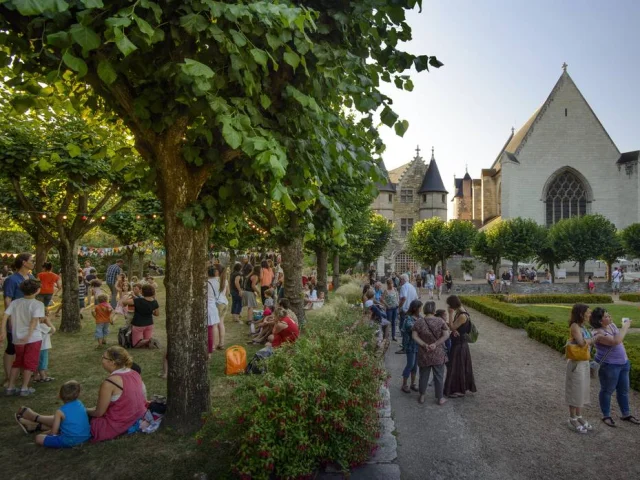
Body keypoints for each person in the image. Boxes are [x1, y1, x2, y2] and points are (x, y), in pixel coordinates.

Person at [590, 307, 639, 427]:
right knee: (607, 390)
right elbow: (616, 341)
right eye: (606, 316)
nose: (610, 317)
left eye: (608, 315)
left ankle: (626, 414)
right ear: (600, 321)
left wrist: (621, 329)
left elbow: (619, 338)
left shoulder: (611, 326)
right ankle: (606, 415)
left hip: (623, 363)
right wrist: (625, 326)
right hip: (609, 365)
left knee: (623, 390)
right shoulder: (597, 333)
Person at [87, 346, 147, 442]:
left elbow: (99, 413)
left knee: (74, 418)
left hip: (119, 424)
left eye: (103, 357)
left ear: (112, 362)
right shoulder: (134, 373)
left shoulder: (110, 383)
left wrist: (85, 411)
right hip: (138, 416)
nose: (102, 359)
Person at [1, 278, 44, 396]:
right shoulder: (38, 304)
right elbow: (34, 321)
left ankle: (10, 387)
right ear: (37, 290)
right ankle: (24, 388)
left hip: (17, 338)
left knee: (17, 362)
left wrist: (3, 331)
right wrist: (28, 335)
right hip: (33, 338)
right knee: (29, 364)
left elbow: (5, 316)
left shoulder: (15, 302)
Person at [16, 380, 91, 448]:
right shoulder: (80, 403)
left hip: (70, 441)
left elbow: (53, 433)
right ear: (78, 394)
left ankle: (34, 424)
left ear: (60, 395)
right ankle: (33, 425)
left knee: (38, 438)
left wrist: (43, 434)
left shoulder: (60, 411)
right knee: (64, 425)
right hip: (86, 436)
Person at [2, 253, 36, 387]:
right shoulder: (12, 279)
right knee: (12, 347)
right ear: (23, 262)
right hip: (16, 318)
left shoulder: (31, 277)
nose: (33, 262)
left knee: (27, 345)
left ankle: (23, 373)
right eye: (31, 261)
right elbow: (7, 299)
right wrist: (10, 318)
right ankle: (9, 377)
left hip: (29, 318)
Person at [565, 304, 598, 433]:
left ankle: (579, 416)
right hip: (576, 363)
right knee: (575, 391)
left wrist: (591, 339)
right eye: (588, 312)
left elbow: (586, 341)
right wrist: (595, 338)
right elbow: (581, 342)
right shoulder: (575, 326)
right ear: (581, 314)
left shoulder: (583, 326)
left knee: (582, 391)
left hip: (584, 361)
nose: (590, 314)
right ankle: (572, 418)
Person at [413, 301, 450, 405]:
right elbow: (446, 335)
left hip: (424, 352)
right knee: (439, 376)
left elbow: (414, 336)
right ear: (434, 310)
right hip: (437, 352)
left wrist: (424, 344)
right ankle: (440, 398)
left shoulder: (419, 322)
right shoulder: (440, 321)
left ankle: (422, 396)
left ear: (424, 309)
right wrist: (436, 344)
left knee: (423, 375)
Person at [444, 295, 477, 398]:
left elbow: (452, 326)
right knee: (457, 367)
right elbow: (455, 327)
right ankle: (459, 388)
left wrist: (450, 314)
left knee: (457, 367)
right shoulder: (461, 310)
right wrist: (454, 330)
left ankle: (460, 390)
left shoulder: (462, 315)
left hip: (460, 344)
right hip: (459, 343)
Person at [123, 284, 160, 349]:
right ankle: (149, 341)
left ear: (142, 291)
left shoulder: (137, 301)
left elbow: (124, 302)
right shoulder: (154, 301)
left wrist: (129, 295)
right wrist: (150, 311)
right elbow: (157, 314)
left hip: (138, 324)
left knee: (135, 344)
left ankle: (149, 341)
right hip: (149, 324)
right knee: (146, 342)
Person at [400, 299, 421, 394]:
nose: (421, 309)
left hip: (418, 345)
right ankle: (404, 384)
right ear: (415, 308)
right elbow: (411, 327)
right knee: (410, 364)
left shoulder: (420, 317)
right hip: (410, 345)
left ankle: (413, 383)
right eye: (420, 307)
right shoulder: (408, 318)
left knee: (415, 366)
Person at [396, 274, 418, 354]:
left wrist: (399, 307)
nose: (399, 281)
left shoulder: (403, 287)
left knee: (404, 329)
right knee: (409, 329)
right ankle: (407, 345)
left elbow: (404, 297)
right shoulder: (412, 287)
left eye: (400, 280)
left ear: (403, 280)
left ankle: (405, 348)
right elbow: (416, 299)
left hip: (405, 310)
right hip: (411, 311)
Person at [34, 313, 56, 383]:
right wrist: (48, 321)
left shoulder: (35, 326)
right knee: (43, 361)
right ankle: (43, 376)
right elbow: (53, 330)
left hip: (39, 347)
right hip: (43, 347)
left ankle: (37, 376)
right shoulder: (41, 326)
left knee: (38, 361)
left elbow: (50, 333)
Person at [211, 265, 228, 349]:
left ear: (217, 271)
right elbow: (227, 293)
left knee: (216, 325)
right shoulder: (225, 280)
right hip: (224, 302)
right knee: (221, 323)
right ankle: (221, 343)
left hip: (218, 303)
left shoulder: (213, 280)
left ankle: (215, 344)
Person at [206, 266, 222, 358]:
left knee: (209, 329)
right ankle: (214, 345)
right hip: (214, 306)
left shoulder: (207, 283)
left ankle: (210, 349)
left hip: (209, 306)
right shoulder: (218, 281)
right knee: (214, 327)